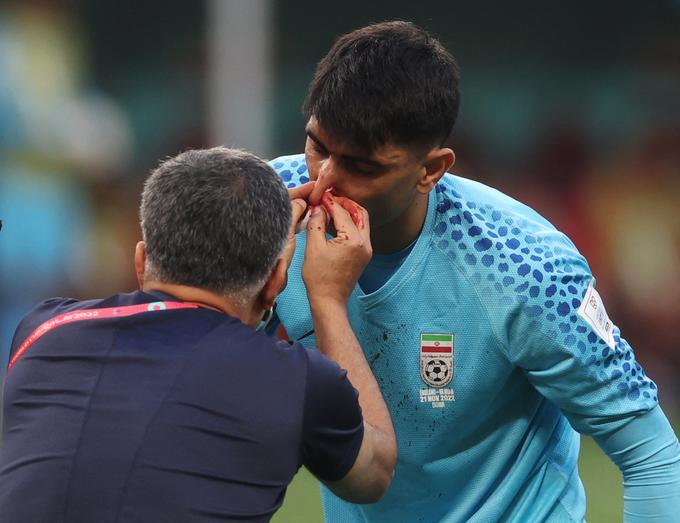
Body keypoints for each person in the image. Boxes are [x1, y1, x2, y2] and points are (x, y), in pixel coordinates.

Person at [269, 21, 680, 522]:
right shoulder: (265, 217)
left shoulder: (523, 265)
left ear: (432, 170)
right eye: (317, 146)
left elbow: (651, 455)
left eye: (363, 166)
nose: (325, 180)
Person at [0, 147, 397, 522]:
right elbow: (375, 472)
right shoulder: (297, 380)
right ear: (276, 281)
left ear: (141, 261)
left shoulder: (42, 331)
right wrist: (328, 298)